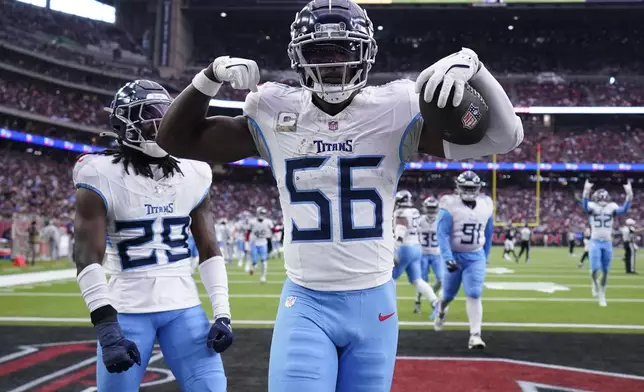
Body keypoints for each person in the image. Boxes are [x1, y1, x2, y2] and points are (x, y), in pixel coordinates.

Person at [157, 0, 523, 388]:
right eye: (318, 52)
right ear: (299, 57)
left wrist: (476, 68)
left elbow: (506, 136)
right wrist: (209, 77)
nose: (330, 65)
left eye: (342, 52)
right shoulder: (272, 108)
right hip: (307, 301)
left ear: (364, 54)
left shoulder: (397, 108)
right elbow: (173, 138)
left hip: (374, 304)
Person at [73, 80, 233, 391]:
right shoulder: (99, 172)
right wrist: (105, 324)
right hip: (127, 310)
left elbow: (209, 248)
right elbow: (86, 254)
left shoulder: (195, 171)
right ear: (124, 122)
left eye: (165, 114)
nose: (159, 124)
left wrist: (223, 313)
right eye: (148, 115)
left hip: (183, 306)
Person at [434, 171, 493, 350]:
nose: (468, 190)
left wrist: (486, 256)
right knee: (447, 295)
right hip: (455, 255)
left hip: (475, 256)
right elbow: (442, 234)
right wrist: (447, 258)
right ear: (458, 187)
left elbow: (488, 233)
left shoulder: (486, 205)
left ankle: (475, 335)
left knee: (474, 293)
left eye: (472, 187)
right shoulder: (449, 204)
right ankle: (441, 310)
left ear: (478, 188)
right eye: (465, 187)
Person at [580, 180, 632, 306]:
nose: (602, 199)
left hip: (607, 242)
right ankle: (594, 283)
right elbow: (585, 206)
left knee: (605, 271)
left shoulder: (612, 207)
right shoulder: (592, 206)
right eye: (600, 197)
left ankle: (602, 293)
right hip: (595, 241)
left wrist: (629, 194)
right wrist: (586, 192)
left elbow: (624, 209)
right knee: (594, 269)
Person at [393, 191, 438, 315]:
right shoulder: (415, 212)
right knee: (417, 280)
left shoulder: (401, 213)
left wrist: (395, 249)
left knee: (390, 278)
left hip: (405, 247)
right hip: (417, 248)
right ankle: (435, 302)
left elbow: (400, 231)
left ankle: (388, 308)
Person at [415, 196, 443, 314]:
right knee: (422, 280)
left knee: (441, 279)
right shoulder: (419, 220)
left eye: (433, 208)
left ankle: (430, 292)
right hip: (423, 254)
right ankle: (417, 302)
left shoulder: (440, 220)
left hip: (437, 254)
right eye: (429, 208)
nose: (431, 211)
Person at [249, 207, 273, 282]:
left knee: (263, 260)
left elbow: (274, 229)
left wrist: (281, 228)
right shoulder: (252, 222)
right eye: (261, 213)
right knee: (254, 261)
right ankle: (253, 267)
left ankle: (263, 276)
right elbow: (248, 232)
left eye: (264, 213)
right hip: (254, 243)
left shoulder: (268, 222)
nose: (263, 215)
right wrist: (247, 242)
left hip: (263, 242)